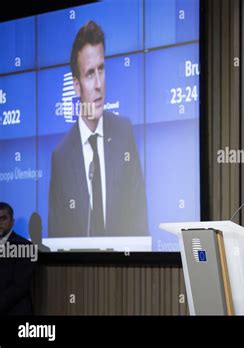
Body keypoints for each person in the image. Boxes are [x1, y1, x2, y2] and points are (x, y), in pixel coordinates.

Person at [48, 20, 148, 237]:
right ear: (76, 86)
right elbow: (57, 234)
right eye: (89, 74)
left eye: (101, 69)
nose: (98, 84)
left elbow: (140, 218)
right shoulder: (61, 157)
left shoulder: (124, 133)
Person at [0, 202, 35, 315]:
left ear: (12, 222)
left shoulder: (25, 246)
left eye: (3, 218)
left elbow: (19, 286)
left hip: (15, 310)